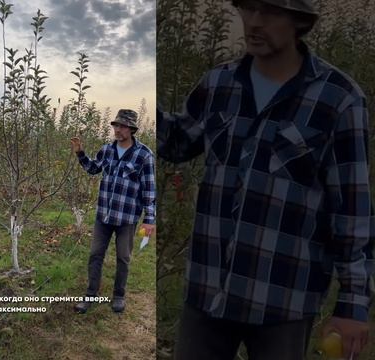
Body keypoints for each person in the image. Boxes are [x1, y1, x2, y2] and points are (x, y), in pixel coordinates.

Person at [158, 0, 374, 359]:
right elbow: (177, 142)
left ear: (298, 21)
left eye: (271, 11)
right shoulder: (218, 85)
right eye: (248, 8)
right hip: (207, 293)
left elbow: (352, 210)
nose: (255, 22)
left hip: (282, 299)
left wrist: (352, 304)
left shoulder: (339, 99)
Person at [71, 109, 156, 313]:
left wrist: (149, 219)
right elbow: (93, 168)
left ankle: (119, 295)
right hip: (104, 215)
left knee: (123, 257)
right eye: (116, 125)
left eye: (123, 126)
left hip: (127, 217)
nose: (118, 129)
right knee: (95, 255)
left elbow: (149, 188)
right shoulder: (107, 150)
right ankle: (90, 295)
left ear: (132, 129)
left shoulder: (144, 155)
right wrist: (80, 153)